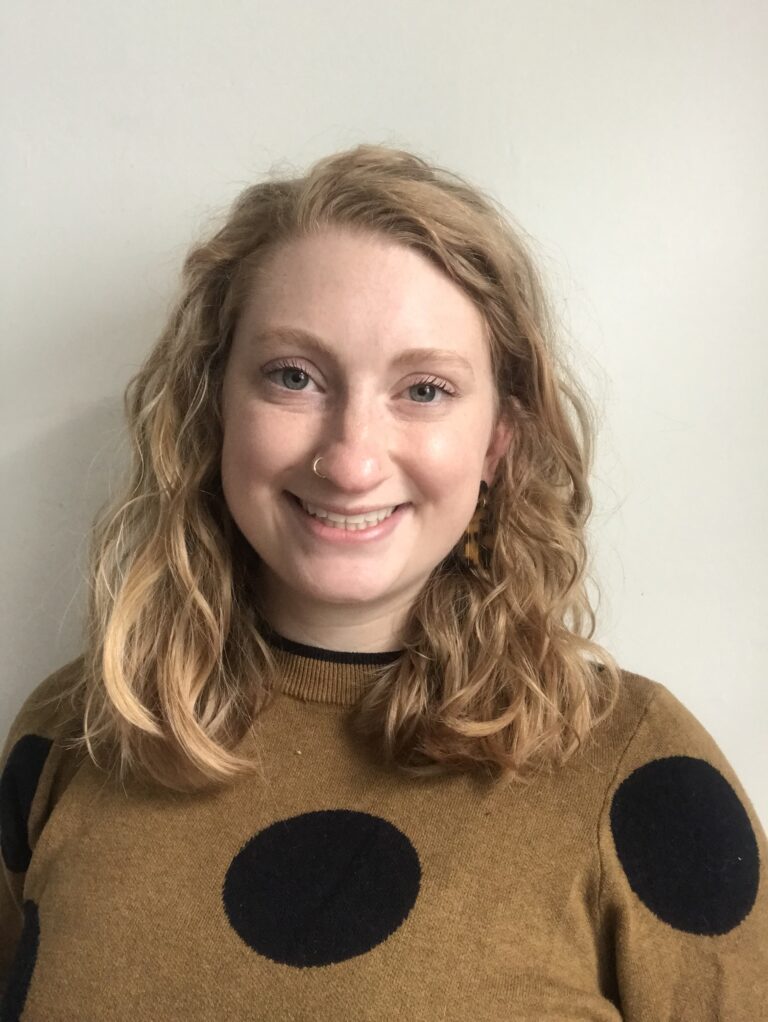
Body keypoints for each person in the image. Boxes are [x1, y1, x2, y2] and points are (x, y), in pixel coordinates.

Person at [1, 144, 765, 1021]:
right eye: (294, 375)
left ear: (499, 440)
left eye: (426, 389)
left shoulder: (634, 765)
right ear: (214, 407)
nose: (352, 460)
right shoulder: (75, 734)